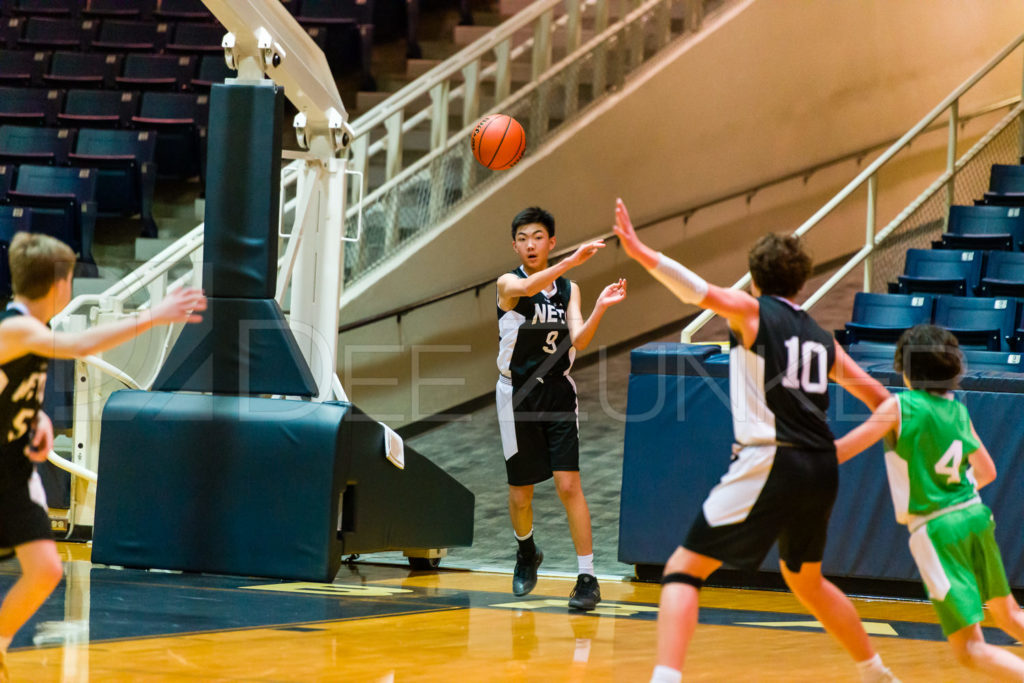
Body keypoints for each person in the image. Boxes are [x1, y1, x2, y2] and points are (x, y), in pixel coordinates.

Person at [611, 199, 898, 683]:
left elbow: (696, 293)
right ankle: (876, 672)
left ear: (755, 278)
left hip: (772, 459)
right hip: (819, 472)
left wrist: (641, 252)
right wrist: (835, 450)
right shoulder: (823, 340)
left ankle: (665, 679)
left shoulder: (753, 311)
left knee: (682, 570)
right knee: (806, 579)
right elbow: (887, 405)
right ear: (802, 282)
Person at [0, 233, 206, 680]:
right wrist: (155, 315)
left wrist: (35, 420)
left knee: (45, 569)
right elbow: (80, 347)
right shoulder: (17, 328)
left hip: (13, 470)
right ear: (60, 285)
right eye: (71, 279)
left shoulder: (32, 333)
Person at [836, 324, 1024, 680]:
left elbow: (844, 450)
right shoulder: (957, 411)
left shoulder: (900, 407)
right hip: (974, 514)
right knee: (1010, 614)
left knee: (971, 649)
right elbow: (987, 472)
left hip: (938, 529)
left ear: (906, 371)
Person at [495, 206, 627, 610]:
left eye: (538, 236)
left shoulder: (570, 290)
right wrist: (572, 259)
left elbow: (580, 341)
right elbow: (534, 285)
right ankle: (526, 551)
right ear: (515, 245)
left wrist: (600, 306)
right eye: (522, 238)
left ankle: (587, 577)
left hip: (557, 394)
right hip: (516, 395)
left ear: (550, 241)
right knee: (521, 495)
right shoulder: (507, 284)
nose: (530, 244)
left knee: (569, 485)